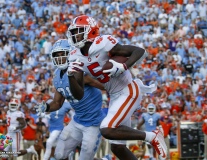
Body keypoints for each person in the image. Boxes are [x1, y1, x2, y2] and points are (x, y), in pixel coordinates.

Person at [65, 15, 167, 160]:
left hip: (128, 90)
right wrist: (70, 76)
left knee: (107, 129)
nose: (75, 36)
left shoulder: (104, 43)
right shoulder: (75, 56)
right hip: (114, 95)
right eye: (73, 32)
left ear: (91, 32)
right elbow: (78, 94)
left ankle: (152, 136)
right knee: (117, 147)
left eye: (78, 31)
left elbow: (139, 51)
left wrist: (124, 66)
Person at [35, 39, 107, 160]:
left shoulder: (81, 70)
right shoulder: (57, 75)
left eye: (62, 54)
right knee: (59, 154)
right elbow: (57, 102)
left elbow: (107, 86)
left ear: (71, 53)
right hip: (77, 121)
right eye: (56, 55)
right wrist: (47, 107)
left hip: (94, 123)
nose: (60, 58)